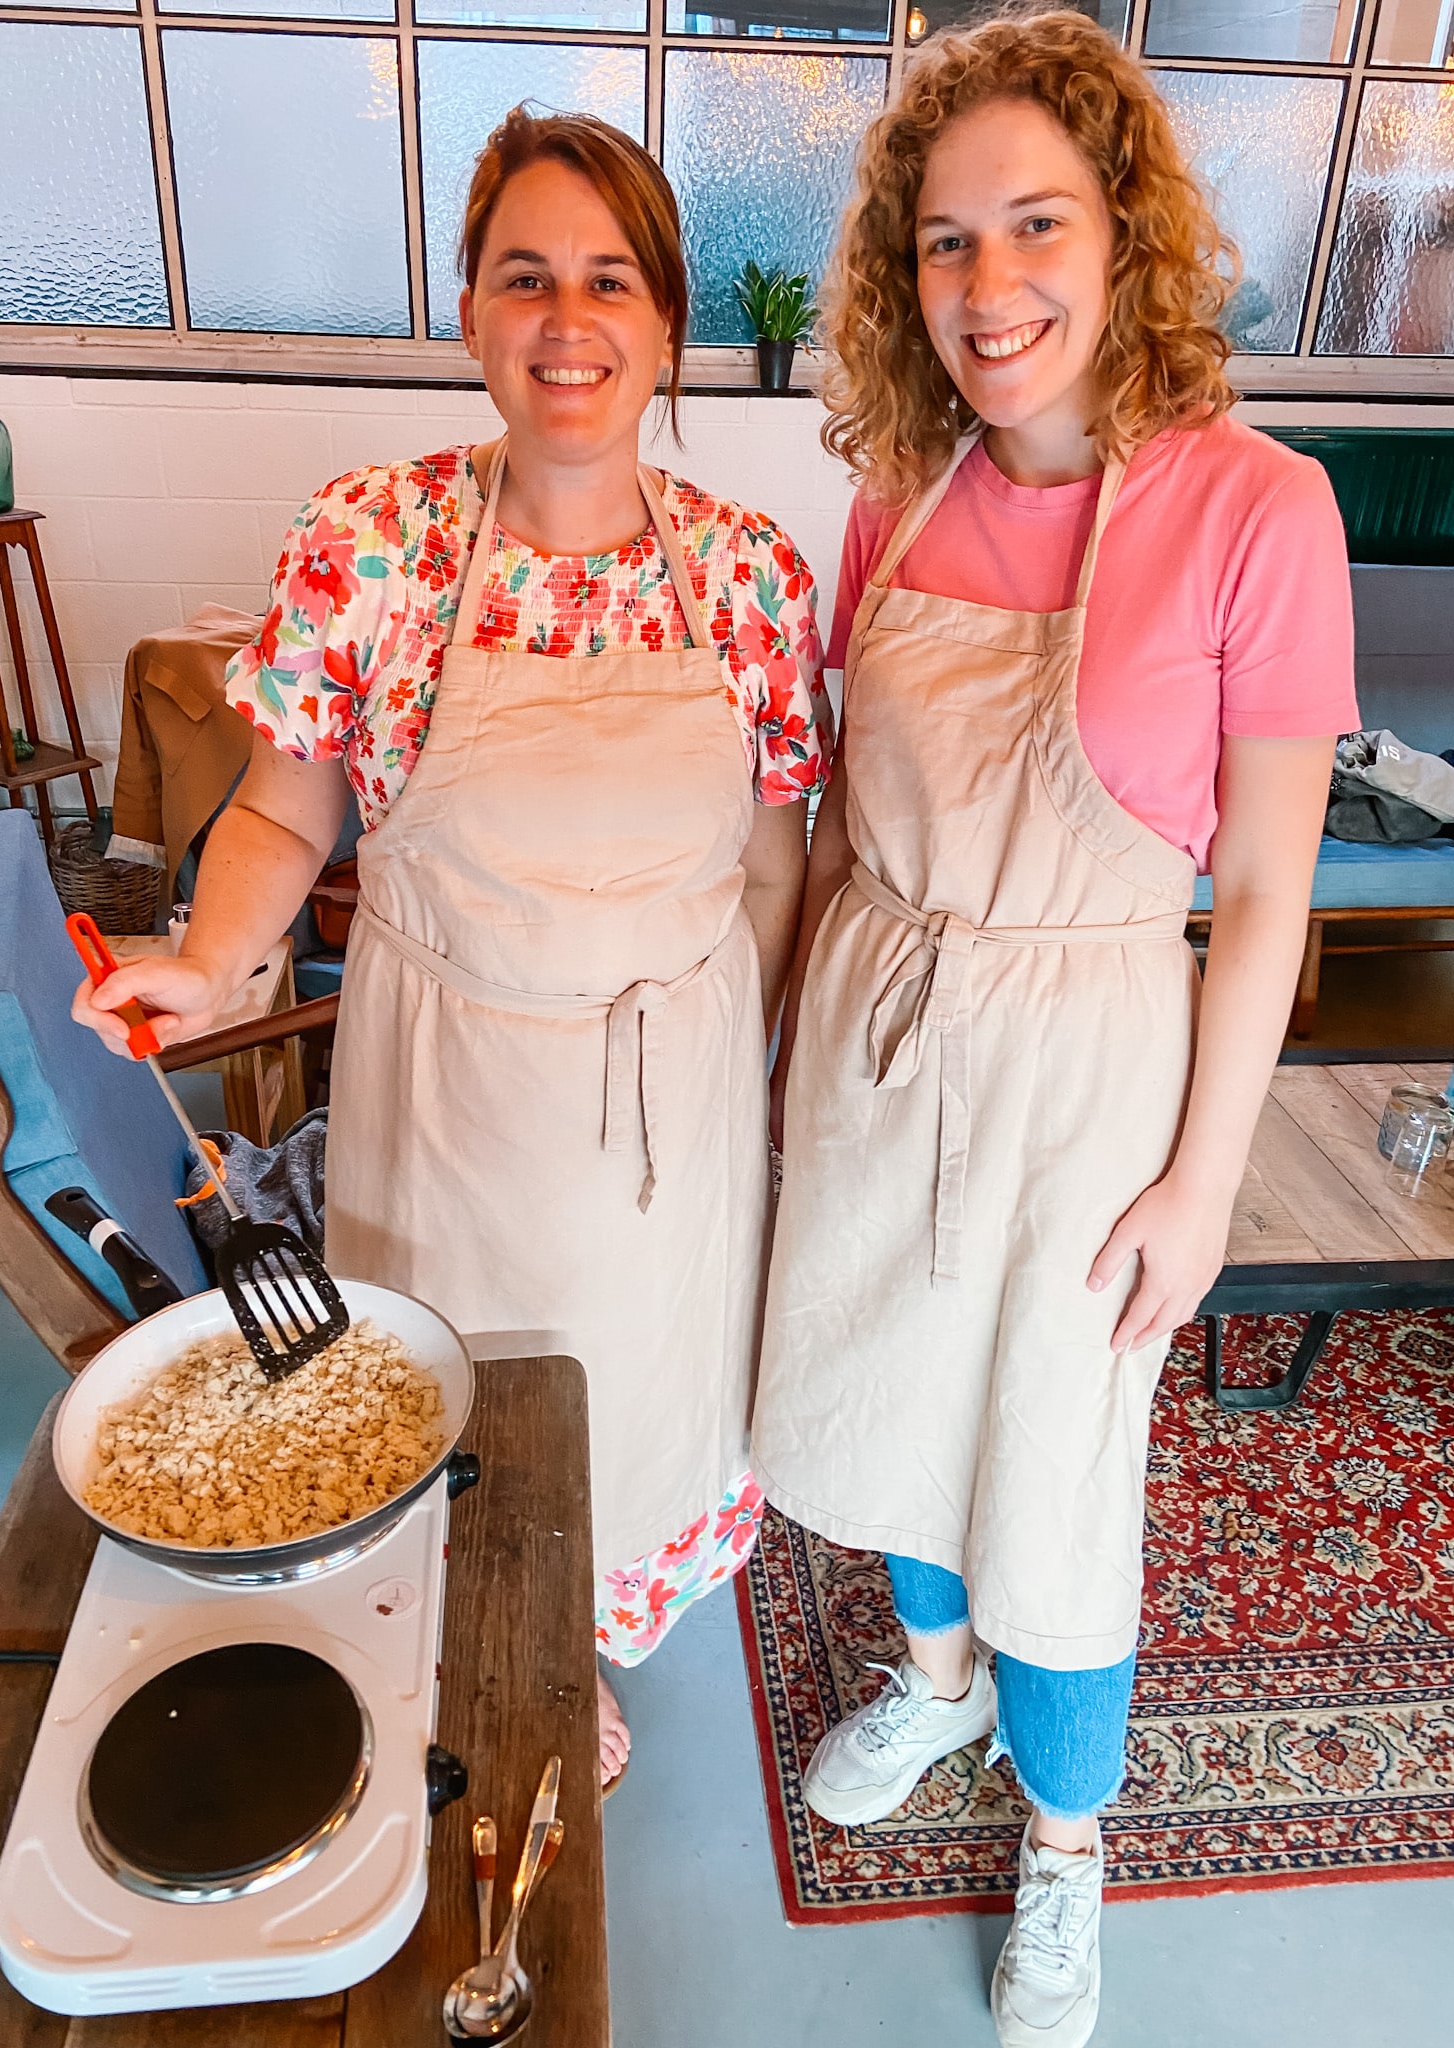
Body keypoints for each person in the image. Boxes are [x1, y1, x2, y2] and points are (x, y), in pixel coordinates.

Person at [74, 107, 833, 1789]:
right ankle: (467, 1617)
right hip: (448, 1085)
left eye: (611, 280)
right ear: (472, 310)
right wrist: (211, 955)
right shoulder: (375, 542)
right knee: (444, 1380)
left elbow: (774, 864)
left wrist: (746, 1069)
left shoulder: (749, 576)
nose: (570, 321)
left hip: (670, 1098)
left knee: (637, 1388)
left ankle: (566, 1639)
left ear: (666, 324)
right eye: (526, 276)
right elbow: (286, 811)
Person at [751, 13, 1356, 2043]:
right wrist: (786, 1049)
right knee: (890, 1396)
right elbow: (841, 819)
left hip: (1092, 1069)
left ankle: (1069, 1841)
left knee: (1054, 1470)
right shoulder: (893, 495)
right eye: (944, 240)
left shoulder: (1259, 509)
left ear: (1127, 236)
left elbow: (1261, 893)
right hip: (886, 1021)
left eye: (1035, 225)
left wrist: (1204, 1184)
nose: (988, 284)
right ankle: (937, 1688)